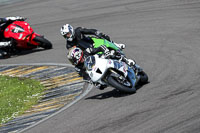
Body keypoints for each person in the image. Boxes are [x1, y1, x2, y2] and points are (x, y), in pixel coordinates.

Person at [67, 45, 138, 90]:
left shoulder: (87, 51)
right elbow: (84, 76)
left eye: (72, 59)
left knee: (113, 54)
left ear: (77, 55)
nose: (72, 61)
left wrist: (106, 52)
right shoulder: (78, 67)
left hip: (103, 59)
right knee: (100, 87)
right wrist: (92, 82)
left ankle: (127, 61)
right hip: (96, 72)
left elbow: (101, 47)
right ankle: (115, 83)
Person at [60, 24, 126, 50]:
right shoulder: (69, 45)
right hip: (88, 52)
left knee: (104, 38)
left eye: (68, 34)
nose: (67, 36)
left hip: (93, 42)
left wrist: (98, 33)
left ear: (71, 30)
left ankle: (116, 45)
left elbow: (90, 31)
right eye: (65, 35)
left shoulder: (78, 30)